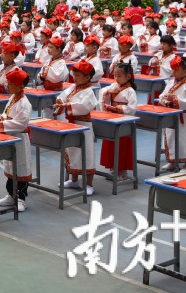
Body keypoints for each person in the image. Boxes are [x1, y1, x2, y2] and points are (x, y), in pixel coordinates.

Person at [54, 59, 98, 195]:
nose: (74, 77)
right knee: (72, 151)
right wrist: (61, 102)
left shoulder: (89, 91)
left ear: (87, 77)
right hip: (72, 124)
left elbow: (84, 106)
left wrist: (66, 105)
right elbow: (62, 96)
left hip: (84, 125)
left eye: (78, 75)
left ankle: (89, 184)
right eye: (74, 74)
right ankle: (74, 180)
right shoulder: (73, 87)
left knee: (87, 153)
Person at [0, 67, 33, 212]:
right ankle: (11, 195)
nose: (7, 86)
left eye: (10, 84)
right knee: (10, 166)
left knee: (21, 168)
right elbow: (6, 113)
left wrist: (3, 124)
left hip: (20, 138)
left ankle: (21, 198)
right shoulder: (13, 98)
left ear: (21, 85)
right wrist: (1, 118)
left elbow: (21, 123)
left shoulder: (24, 103)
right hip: (10, 137)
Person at [99, 62, 137, 180]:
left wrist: (117, 108)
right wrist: (107, 94)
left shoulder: (130, 91)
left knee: (122, 146)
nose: (116, 78)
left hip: (124, 121)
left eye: (119, 76)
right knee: (112, 145)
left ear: (128, 76)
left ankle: (122, 172)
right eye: (115, 75)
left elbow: (132, 108)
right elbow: (104, 92)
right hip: (113, 119)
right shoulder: (114, 86)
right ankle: (114, 168)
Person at [159, 56, 186, 171]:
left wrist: (174, 99)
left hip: (184, 117)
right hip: (172, 115)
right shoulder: (171, 83)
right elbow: (162, 96)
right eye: (173, 69)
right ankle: (173, 161)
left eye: (176, 70)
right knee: (171, 138)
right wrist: (165, 101)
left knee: (185, 140)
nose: (173, 72)